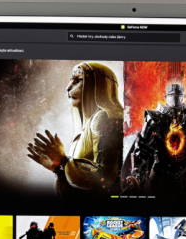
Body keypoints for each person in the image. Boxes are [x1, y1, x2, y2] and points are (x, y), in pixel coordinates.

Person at [27, 63, 124, 197]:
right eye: (71, 80)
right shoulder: (90, 123)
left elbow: (104, 180)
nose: (68, 87)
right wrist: (58, 170)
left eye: (78, 80)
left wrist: (63, 160)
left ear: (99, 85)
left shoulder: (105, 118)